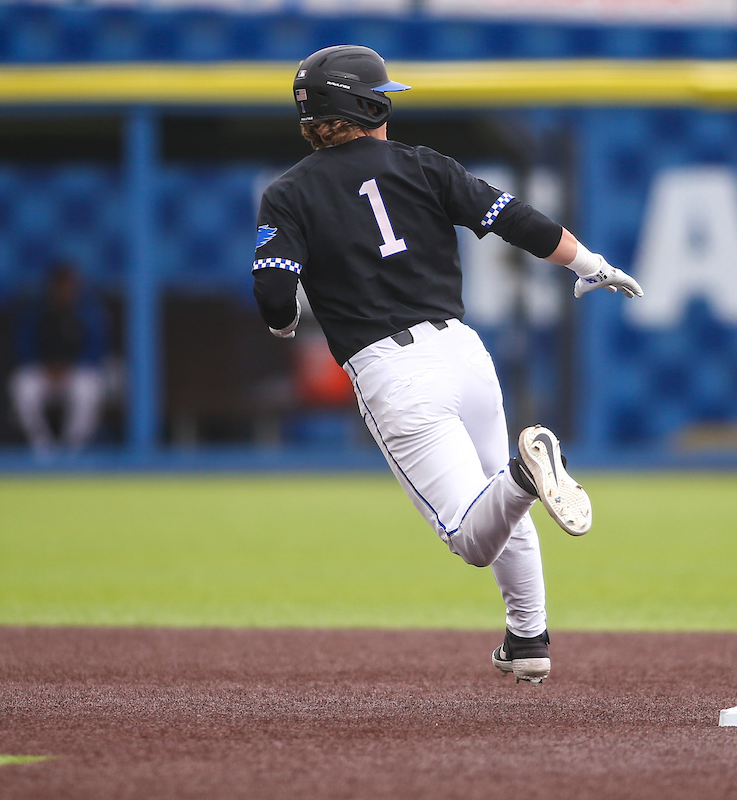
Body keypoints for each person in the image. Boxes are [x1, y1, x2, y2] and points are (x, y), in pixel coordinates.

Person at [251, 45, 642, 685]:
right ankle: (528, 638)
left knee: (473, 531)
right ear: (369, 104)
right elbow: (514, 219)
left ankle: (526, 470)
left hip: (393, 370)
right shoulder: (424, 165)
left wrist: (282, 321)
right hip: (464, 353)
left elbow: (273, 296)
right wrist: (588, 264)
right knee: (501, 503)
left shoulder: (288, 192)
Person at [9, 262, 109, 456]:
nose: (65, 291)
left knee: (90, 387)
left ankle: (72, 449)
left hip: (75, 372)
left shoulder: (88, 312)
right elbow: (23, 346)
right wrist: (45, 366)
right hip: (42, 372)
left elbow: (96, 349)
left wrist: (70, 367)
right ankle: (43, 449)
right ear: (51, 287)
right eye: (60, 285)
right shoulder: (35, 310)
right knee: (22, 384)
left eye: (70, 286)